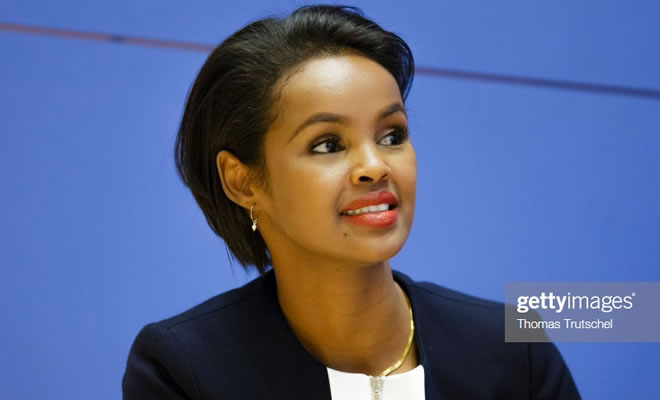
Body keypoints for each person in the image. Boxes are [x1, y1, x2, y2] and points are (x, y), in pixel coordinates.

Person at [122, 5, 580, 399]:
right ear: (242, 182)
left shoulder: (513, 350)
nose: (375, 167)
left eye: (391, 135)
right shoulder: (184, 368)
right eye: (328, 144)